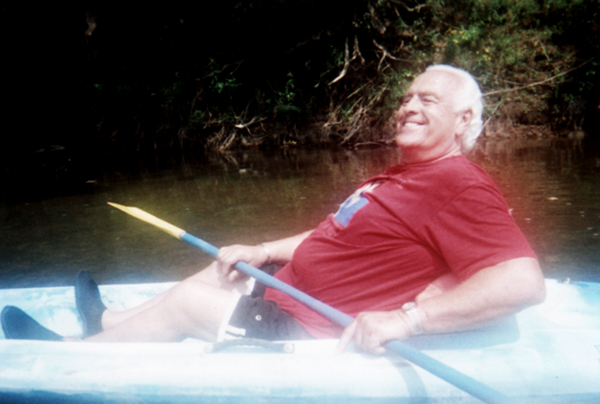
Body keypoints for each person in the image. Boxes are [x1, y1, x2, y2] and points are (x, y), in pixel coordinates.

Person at [1, 65, 546, 354]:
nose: (407, 106)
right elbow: (335, 229)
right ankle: (110, 322)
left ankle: (79, 353)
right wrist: (261, 249)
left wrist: (410, 319)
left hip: (307, 328)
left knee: (191, 301)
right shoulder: (405, 175)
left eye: (427, 100)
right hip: (290, 289)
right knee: (224, 264)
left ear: (464, 117)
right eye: (407, 97)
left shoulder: (459, 186)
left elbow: (522, 282)